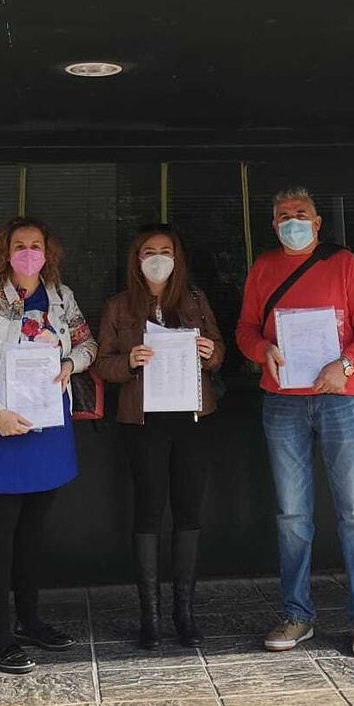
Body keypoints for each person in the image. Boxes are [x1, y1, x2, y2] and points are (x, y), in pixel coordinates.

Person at [235, 187, 354, 657]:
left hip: (342, 398)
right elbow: (245, 329)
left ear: (318, 224)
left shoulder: (344, 265)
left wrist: (343, 366)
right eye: (283, 216)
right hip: (283, 401)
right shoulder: (263, 269)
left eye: (301, 214)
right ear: (273, 224)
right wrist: (263, 350)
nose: (292, 221)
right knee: (292, 515)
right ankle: (297, 614)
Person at [0, 215, 97, 674]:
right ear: (6, 251)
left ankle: (30, 620)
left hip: (47, 428)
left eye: (36, 244)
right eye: (20, 244)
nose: (29, 252)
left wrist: (70, 365)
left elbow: (88, 343)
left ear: (47, 251)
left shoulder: (61, 297)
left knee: (34, 532)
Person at [93, 225, 227, 649]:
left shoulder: (194, 300)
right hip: (144, 421)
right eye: (148, 251)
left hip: (192, 417)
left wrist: (210, 353)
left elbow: (221, 351)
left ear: (177, 257)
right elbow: (102, 364)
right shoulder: (118, 306)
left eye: (165, 250)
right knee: (149, 512)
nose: (157, 257)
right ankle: (149, 616)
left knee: (188, 512)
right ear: (136, 259)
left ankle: (184, 613)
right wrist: (129, 361)